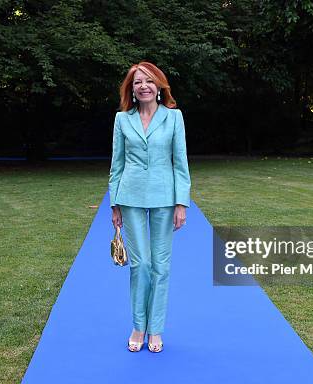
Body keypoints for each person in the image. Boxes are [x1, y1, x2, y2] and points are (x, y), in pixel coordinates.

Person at [109, 61, 192, 353]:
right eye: (137, 82)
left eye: (148, 81)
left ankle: (155, 329)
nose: (143, 86)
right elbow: (116, 164)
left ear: (159, 87)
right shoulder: (122, 120)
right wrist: (113, 203)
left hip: (165, 199)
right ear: (131, 89)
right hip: (129, 197)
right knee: (140, 263)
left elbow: (180, 164)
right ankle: (138, 325)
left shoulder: (174, 118)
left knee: (161, 266)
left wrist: (182, 203)